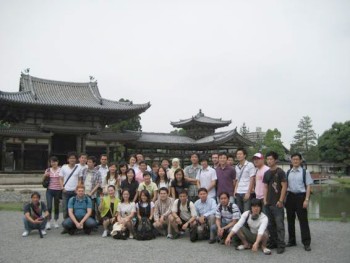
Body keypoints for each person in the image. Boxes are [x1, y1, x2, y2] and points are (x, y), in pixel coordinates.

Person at [285, 153, 313, 252]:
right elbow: (285, 186)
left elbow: (308, 186)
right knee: (290, 220)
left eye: (297, 159)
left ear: (300, 161)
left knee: (303, 220)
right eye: (293, 159)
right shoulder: (288, 172)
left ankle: (306, 243)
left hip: (301, 197)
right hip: (290, 197)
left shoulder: (305, 172)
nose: (295, 161)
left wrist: (306, 199)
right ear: (291, 161)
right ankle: (292, 241)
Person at [263, 151, 287, 254]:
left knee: (279, 224)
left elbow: (284, 186)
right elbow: (265, 187)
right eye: (267, 159)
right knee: (270, 224)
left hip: (277, 203)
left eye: (271, 159)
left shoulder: (280, 172)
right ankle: (273, 242)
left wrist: (281, 200)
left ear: (275, 160)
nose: (269, 161)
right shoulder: (267, 173)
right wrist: (265, 200)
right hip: (268, 202)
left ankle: (281, 244)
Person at [59, 152, 81, 220]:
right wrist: (62, 187)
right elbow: (60, 178)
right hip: (66, 191)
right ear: (68, 159)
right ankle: (66, 225)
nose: (72, 159)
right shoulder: (64, 167)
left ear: (76, 159)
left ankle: (74, 224)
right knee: (65, 208)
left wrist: (77, 188)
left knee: (75, 208)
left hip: (75, 191)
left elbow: (80, 179)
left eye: (74, 158)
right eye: (71, 158)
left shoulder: (78, 167)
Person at [234, 148, 256, 213]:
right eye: (237, 154)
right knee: (240, 212)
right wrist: (235, 190)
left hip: (246, 191)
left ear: (244, 155)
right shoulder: (236, 166)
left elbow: (252, 178)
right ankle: (242, 223)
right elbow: (237, 180)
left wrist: (248, 192)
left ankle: (246, 223)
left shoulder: (250, 165)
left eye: (240, 154)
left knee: (246, 212)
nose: (239, 155)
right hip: (238, 192)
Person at [43, 156, 61, 230]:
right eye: (52, 162)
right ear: (50, 163)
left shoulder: (61, 170)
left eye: (55, 161)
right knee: (49, 206)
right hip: (49, 190)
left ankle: (56, 221)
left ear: (57, 162)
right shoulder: (48, 170)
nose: (53, 163)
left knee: (56, 206)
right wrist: (44, 176)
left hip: (58, 190)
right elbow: (43, 180)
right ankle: (48, 221)